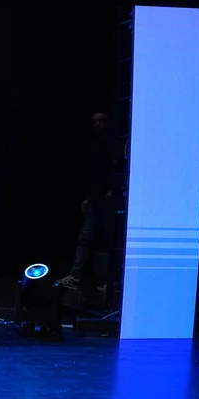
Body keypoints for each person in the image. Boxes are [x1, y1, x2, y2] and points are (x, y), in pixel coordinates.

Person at [57, 111, 117, 291]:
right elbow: (90, 173)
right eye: (94, 122)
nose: (97, 124)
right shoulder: (93, 145)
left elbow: (116, 169)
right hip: (94, 199)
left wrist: (113, 190)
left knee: (111, 241)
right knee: (85, 238)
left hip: (108, 200)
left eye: (101, 121)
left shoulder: (114, 144)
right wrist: (86, 197)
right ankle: (75, 277)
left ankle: (113, 281)